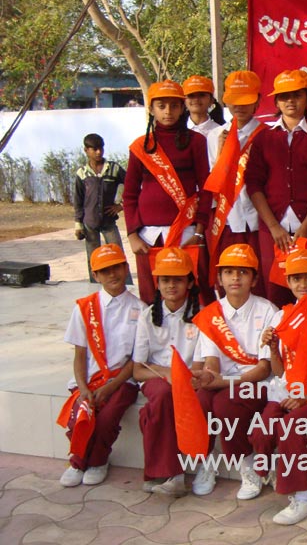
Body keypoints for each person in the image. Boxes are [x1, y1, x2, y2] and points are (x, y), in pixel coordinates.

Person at [249, 248, 307, 525]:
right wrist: (273, 349)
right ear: (288, 281)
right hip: (287, 389)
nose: (302, 285)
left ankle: (303, 496)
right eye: (296, 278)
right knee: (262, 429)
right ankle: (273, 468)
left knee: (291, 426)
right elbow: (278, 371)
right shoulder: (281, 316)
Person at [245, 69, 307, 307]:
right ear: (276, 101)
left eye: (297, 95)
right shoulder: (264, 139)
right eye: (284, 96)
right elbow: (253, 183)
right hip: (273, 233)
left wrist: (306, 226)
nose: (290, 101)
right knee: (274, 298)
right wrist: (274, 227)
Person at [191, 243, 277, 500]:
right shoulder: (211, 315)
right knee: (201, 401)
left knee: (225, 405)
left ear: (254, 279)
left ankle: (247, 464)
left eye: (243, 272)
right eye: (229, 272)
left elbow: (263, 369)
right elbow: (211, 362)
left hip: (257, 383)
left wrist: (223, 382)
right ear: (219, 278)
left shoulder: (267, 310)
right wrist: (208, 377)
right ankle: (206, 463)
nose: (235, 278)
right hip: (224, 381)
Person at [58, 244, 145, 488]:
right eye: (105, 271)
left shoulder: (140, 309)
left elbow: (136, 359)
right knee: (81, 414)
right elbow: (79, 354)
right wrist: (84, 387)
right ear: (95, 275)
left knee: (107, 417)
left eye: (117, 267)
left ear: (126, 268)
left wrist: (111, 387)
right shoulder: (84, 307)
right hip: (89, 379)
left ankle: (96, 461)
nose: (113, 275)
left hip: (123, 380)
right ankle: (77, 462)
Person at [122, 80, 213, 306]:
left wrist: (200, 231)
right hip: (148, 238)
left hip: (187, 234)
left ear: (182, 108)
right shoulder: (140, 146)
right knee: (152, 296)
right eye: (161, 106)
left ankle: (197, 341)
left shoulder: (196, 141)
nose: (168, 112)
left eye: (174, 106)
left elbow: (206, 188)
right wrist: (133, 235)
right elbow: (129, 194)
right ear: (151, 109)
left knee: (195, 294)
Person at [132, 247, 202, 496]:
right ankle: (172, 474)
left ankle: (162, 472)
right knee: (162, 396)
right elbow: (138, 370)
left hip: (191, 381)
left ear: (190, 282)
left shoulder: (202, 315)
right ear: (157, 283)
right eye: (165, 279)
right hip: (157, 379)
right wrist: (166, 373)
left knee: (154, 410)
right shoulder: (147, 316)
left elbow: (202, 363)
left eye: (178, 279)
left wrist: (183, 377)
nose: (171, 285)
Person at [205, 70, 268, 298]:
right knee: (227, 285)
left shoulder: (267, 135)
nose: (239, 107)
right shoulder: (215, 135)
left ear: (258, 101)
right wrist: (224, 157)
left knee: (257, 283)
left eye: (246, 101)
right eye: (234, 101)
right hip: (226, 219)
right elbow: (212, 183)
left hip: (255, 221)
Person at [74, 133, 128, 283]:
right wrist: (78, 224)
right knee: (94, 260)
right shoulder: (82, 173)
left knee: (118, 255)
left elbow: (132, 185)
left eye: (101, 148)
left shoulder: (113, 169)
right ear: (86, 150)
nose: (99, 152)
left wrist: (120, 205)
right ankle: (96, 288)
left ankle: (126, 285)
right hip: (89, 223)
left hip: (108, 222)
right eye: (94, 149)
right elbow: (78, 200)